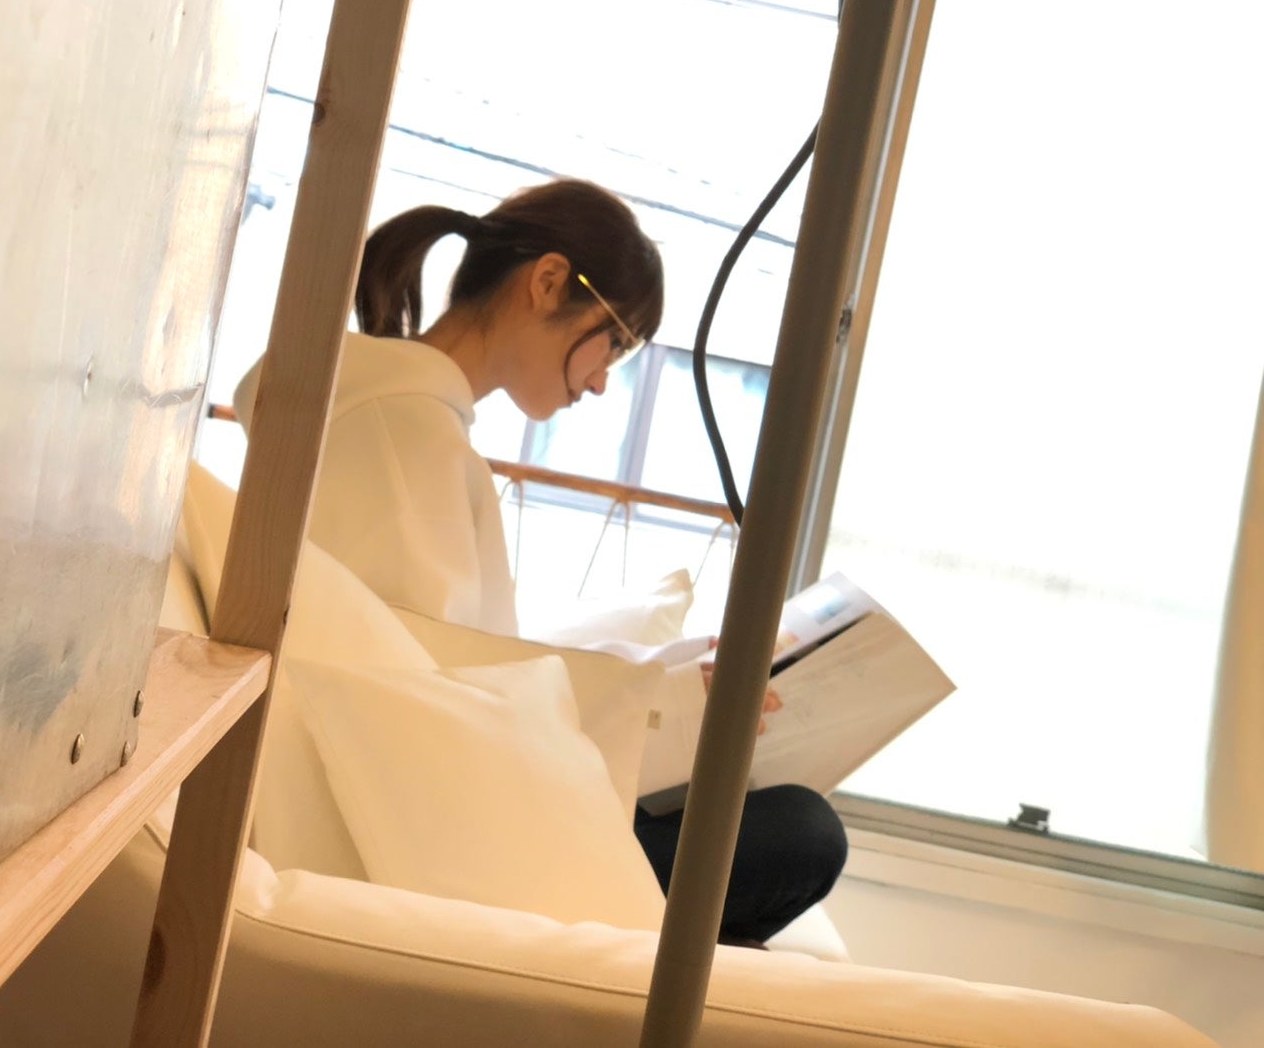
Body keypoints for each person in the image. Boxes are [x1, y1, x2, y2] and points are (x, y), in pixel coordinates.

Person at [234, 178, 846, 945]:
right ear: (549, 281)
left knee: (781, 822)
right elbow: (418, 695)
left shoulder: (406, 422)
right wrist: (662, 703)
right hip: (447, 825)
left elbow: (448, 655)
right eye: (614, 343)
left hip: (464, 784)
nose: (602, 382)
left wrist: (664, 679)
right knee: (803, 834)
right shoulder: (400, 435)